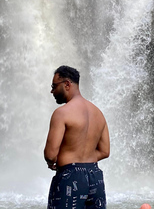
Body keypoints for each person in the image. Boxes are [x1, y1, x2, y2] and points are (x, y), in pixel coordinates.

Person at [44, 65, 110, 209]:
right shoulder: (98, 113)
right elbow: (105, 151)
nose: (52, 91)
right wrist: (85, 158)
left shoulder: (62, 113)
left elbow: (50, 154)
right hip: (95, 176)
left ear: (67, 84)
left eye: (54, 86)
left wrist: (53, 161)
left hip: (70, 177)